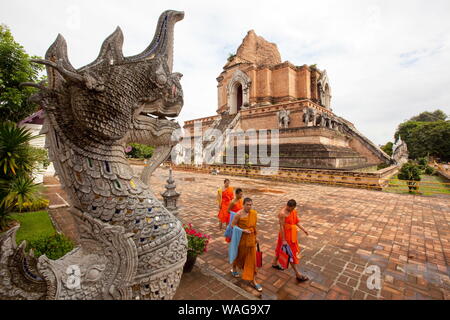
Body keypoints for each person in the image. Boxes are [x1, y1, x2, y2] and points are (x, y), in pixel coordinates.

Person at [271, 199, 310, 282]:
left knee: (280, 249)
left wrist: (304, 229)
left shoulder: (293, 211)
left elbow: (296, 222)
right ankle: (297, 274)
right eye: (290, 208)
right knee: (290, 254)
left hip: (292, 235)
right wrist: (284, 240)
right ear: (288, 206)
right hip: (285, 236)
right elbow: (281, 227)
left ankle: (274, 263)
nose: (291, 210)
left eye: (292, 209)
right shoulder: (282, 214)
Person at [230, 197, 262, 292]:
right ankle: (234, 268)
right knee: (239, 256)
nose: (249, 206)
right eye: (247, 204)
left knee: (251, 260)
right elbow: (232, 225)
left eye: (251, 204)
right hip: (241, 239)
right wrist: (242, 230)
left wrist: (256, 237)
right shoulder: (238, 214)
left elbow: (254, 226)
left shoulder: (253, 213)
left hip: (251, 239)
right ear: (243, 205)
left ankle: (253, 280)